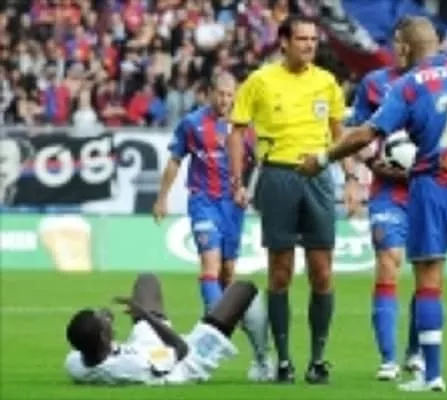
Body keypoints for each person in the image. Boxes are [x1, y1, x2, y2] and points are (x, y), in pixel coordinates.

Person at [297, 17, 447, 392]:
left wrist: (324, 159)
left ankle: (433, 376)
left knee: (428, 280)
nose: (394, 49)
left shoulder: (409, 85)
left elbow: (365, 133)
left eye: (397, 43)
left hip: (432, 187)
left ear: (406, 47)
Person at [227, 15, 360, 384]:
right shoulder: (260, 80)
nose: (309, 45)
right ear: (283, 42)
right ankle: (284, 360)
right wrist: (237, 181)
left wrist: (351, 178)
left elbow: (339, 133)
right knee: (280, 271)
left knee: (322, 271)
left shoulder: (326, 82)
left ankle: (317, 360)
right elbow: (237, 132)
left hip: (319, 177)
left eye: (313, 39)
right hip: (278, 176)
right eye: (302, 39)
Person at [152, 72, 272, 381]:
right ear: (209, 93)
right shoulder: (192, 124)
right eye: (220, 94)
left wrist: (249, 191)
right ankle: (214, 335)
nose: (225, 100)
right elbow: (175, 160)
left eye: (230, 95)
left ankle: (240, 338)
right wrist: (162, 198)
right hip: (203, 201)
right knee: (210, 264)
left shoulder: (245, 128)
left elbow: (258, 165)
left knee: (228, 274)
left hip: (233, 207)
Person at [348, 46, 422, 380]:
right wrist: (370, 162)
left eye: (408, 43)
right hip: (387, 192)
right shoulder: (374, 83)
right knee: (388, 264)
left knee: (426, 271)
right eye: (398, 42)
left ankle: (416, 351)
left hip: (426, 190)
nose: (402, 49)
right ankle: (388, 358)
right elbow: (357, 132)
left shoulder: (435, 82)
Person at [65, 273, 258, 385]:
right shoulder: (131, 367)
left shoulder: (75, 361)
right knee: (243, 289)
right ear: (102, 336)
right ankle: (262, 361)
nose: (108, 319)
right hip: (183, 362)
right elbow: (181, 349)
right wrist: (145, 315)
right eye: (103, 321)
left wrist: (103, 320)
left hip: (141, 347)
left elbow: (93, 342)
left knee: (147, 280)